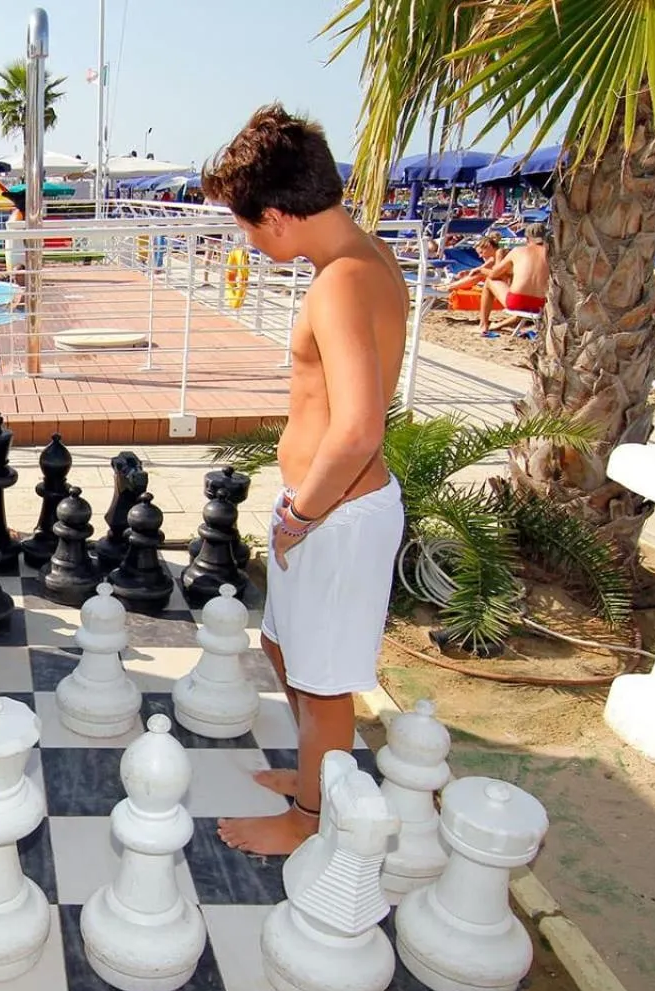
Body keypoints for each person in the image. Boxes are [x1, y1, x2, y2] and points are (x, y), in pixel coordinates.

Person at [200, 104, 409, 856]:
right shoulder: (362, 257)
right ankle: (316, 775)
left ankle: (315, 823)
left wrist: (302, 514)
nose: (248, 241)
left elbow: (358, 427)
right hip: (324, 508)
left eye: (248, 226)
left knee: (324, 685)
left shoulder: (341, 283)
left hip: (336, 515)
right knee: (286, 648)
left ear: (281, 216)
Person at [478, 223, 549, 336]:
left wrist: (482, 270)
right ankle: (497, 325)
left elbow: (493, 275)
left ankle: (483, 325)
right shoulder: (552, 254)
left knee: (489, 282)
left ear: (526, 238)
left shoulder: (518, 251)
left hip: (516, 301)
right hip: (541, 305)